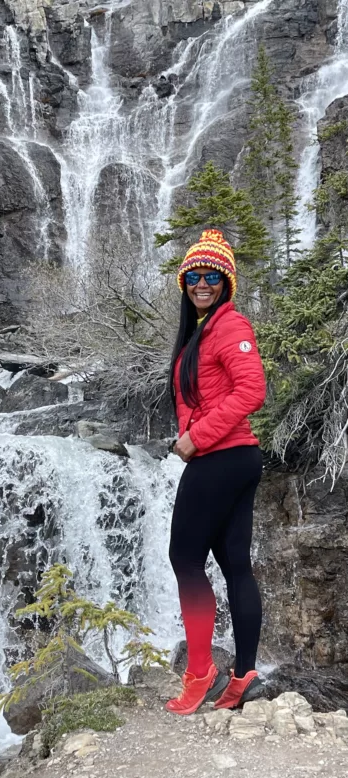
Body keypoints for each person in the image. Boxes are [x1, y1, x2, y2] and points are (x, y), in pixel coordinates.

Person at [166, 228, 267, 715]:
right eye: (193, 276)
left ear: (226, 282)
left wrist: (195, 437)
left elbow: (252, 392)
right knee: (234, 566)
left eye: (212, 276)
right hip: (237, 459)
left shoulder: (230, 326)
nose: (201, 283)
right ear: (184, 282)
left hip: (221, 458)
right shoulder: (202, 329)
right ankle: (243, 674)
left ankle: (200, 671)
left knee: (184, 560)